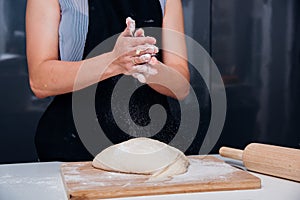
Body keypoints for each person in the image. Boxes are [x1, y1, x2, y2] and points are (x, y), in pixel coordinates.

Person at [26, 0, 190, 162]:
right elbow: (40, 81)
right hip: (72, 149)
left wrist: (143, 64)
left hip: (152, 151)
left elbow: (182, 87)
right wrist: (112, 63)